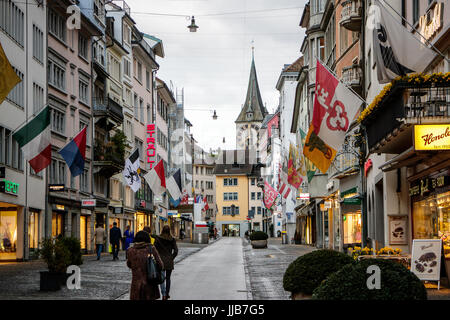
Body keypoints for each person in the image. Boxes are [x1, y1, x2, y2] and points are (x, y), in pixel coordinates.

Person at [126, 230, 164, 300]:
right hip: (150, 284)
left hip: (136, 285)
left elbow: (129, 264)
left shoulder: (130, 250)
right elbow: (160, 265)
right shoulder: (151, 249)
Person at [154, 225, 178, 300]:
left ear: (162, 230)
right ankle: (167, 294)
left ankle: (163, 294)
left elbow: (154, 250)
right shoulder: (172, 239)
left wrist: (156, 258)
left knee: (161, 278)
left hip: (160, 260)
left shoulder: (158, 239)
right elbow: (176, 251)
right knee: (168, 278)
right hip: (169, 261)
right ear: (169, 231)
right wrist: (172, 257)